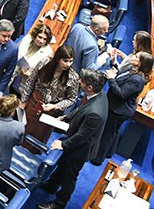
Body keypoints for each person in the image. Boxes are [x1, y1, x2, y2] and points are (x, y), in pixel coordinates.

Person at [37, 69, 108, 209]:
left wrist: (63, 144)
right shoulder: (96, 94)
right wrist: (66, 117)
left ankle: (59, 203)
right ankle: (52, 185)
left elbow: (82, 136)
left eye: (82, 81)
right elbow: (81, 108)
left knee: (69, 176)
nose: (78, 81)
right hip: (77, 137)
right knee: (63, 164)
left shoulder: (95, 113)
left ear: (90, 87)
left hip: (81, 149)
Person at [93, 52, 153, 162]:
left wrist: (111, 79)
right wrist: (113, 64)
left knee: (107, 134)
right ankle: (109, 152)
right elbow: (120, 76)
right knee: (113, 131)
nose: (133, 56)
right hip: (118, 107)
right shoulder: (134, 71)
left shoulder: (137, 80)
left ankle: (97, 159)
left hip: (119, 110)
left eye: (136, 57)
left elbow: (121, 94)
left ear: (141, 63)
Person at [19, 45, 79, 147]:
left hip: (51, 112)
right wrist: (23, 101)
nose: (68, 64)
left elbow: (72, 99)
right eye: (65, 61)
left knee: (38, 139)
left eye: (71, 61)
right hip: (34, 103)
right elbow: (31, 81)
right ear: (58, 59)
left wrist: (56, 106)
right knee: (23, 131)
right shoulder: (44, 63)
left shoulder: (72, 77)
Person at [11, 23, 54, 98]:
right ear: (35, 35)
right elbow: (15, 52)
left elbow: (44, 76)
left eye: (44, 39)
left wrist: (30, 75)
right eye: (40, 37)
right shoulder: (27, 39)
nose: (41, 41)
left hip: (25, 83)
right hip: (14, 73)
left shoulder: (48, 53)